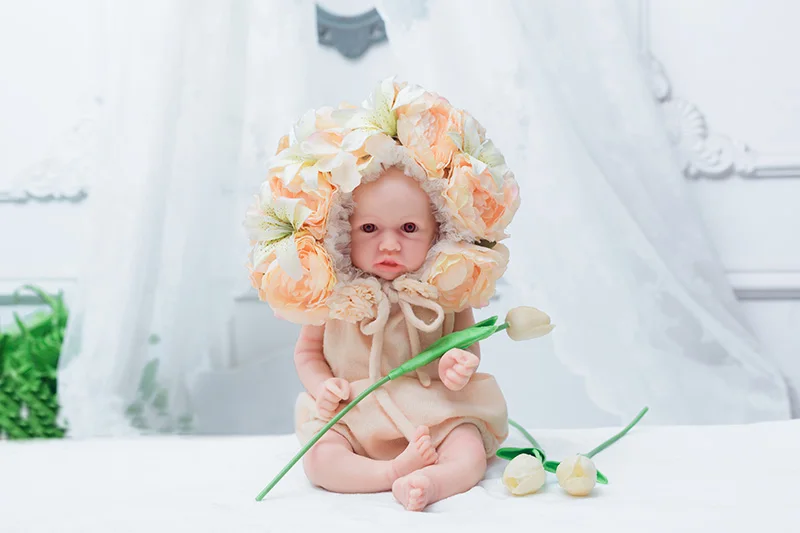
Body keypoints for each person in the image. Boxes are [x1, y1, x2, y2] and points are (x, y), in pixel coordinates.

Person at [245, 77, 521, 510]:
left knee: (467, 446)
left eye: (409, 228)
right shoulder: (334, 292)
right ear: (340, 228)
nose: (389, 245)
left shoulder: (445, 286)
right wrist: (323, 386)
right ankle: (387, 474)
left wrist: (455, 365)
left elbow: (465, 343)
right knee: (319, 458)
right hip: (354, 409)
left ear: (439, 230)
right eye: (369, 228)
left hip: (432, 407)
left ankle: (433, 481)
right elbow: (308, 353)